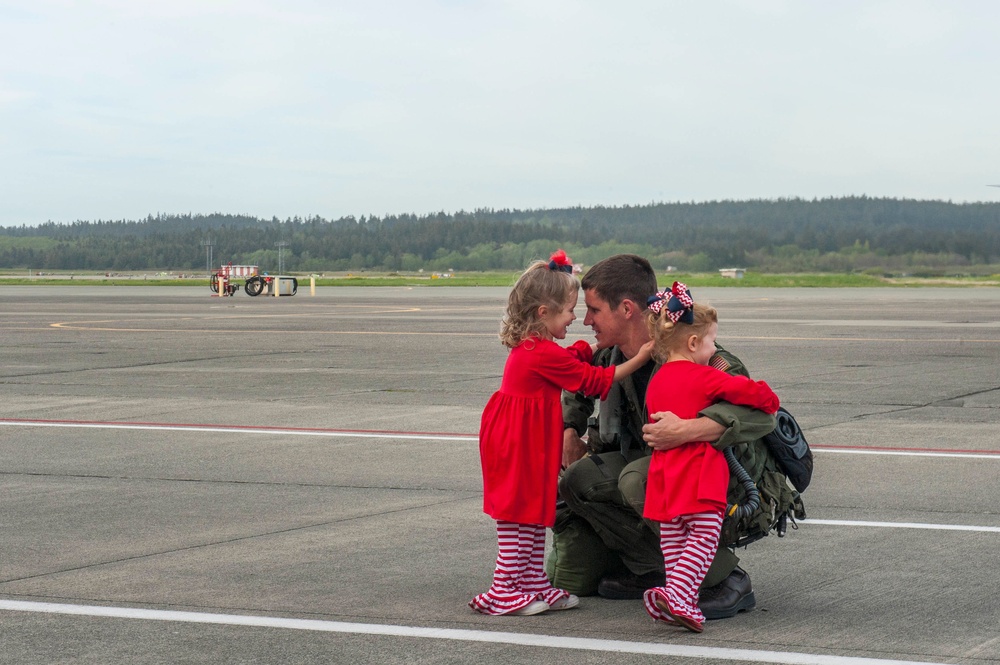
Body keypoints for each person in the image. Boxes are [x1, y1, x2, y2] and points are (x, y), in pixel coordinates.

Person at [550, 254, 797, 619]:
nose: (586, 321)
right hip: (668, 469)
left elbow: (766, 416)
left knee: (638, 480)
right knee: (580, 480)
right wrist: (570, 429)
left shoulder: (695, 354)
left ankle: (727, 579)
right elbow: (577, 386)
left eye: (595, 310)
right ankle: (654, 571)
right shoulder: (612, 355)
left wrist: (690, 429)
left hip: (725, 480)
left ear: (627, 309)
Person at [470, 250, 654, 616]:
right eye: (570, 310)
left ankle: (532, 582)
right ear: (544, 313)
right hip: (518, 443)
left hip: (528, 440)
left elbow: (571, 360)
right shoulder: (540, 354)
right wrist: (640, 356)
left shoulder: (539, 347)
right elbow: (592, 380)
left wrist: (587, 351)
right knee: (517, 514)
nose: (577, 318)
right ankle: (503, 588)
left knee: (536, 511)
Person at [641, 282, 779, 633]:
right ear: (692, 343)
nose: (714, 347)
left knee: (673, 543)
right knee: (702, 538)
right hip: (699, 477)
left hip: (664, 480)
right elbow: (752, 394)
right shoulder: (704, 377)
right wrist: (769, 397)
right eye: (711, 341)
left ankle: (681, 603)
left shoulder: (655, 382)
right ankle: (677, 595)